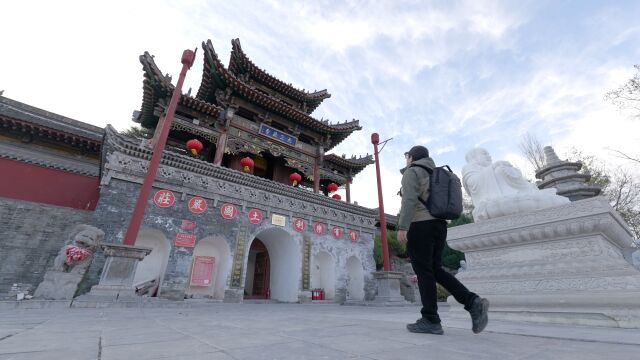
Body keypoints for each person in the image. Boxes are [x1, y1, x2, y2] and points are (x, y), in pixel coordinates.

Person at [397, 145, 489, 335]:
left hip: (420, 225)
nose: (406, 159)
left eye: (407, 156)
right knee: (435, 270)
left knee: (424, 272)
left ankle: (430, 319)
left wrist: (402, 227)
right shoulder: (437, 173)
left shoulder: (412, 172)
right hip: (439, 226)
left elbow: (409, 200)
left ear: (412, 157)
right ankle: (472, 302)